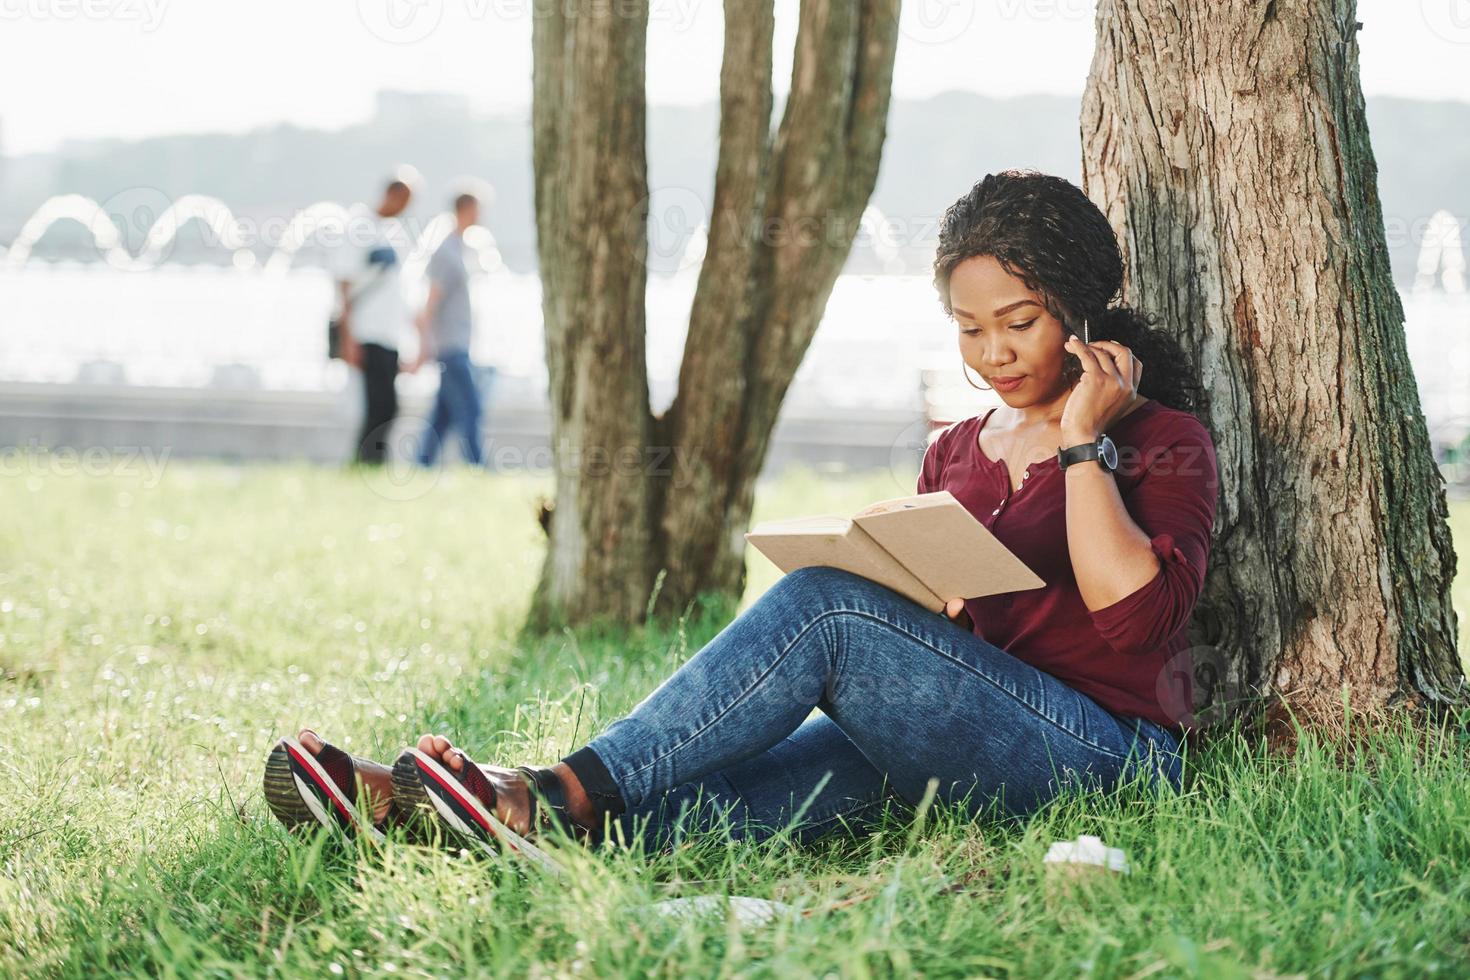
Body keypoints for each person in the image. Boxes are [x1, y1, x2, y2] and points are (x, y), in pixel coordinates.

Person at [267, 170, 1220, 855]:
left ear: (1081, 312)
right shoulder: (958, 452)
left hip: (1106, 757)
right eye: (970, 329)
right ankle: (439, 815)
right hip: (955, 738)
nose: (995, 352)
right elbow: (971, 627)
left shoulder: (1160, 438)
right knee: (723, 797)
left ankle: (549, 788)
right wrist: (916, 590)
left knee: (824, 606)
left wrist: (1085, 443)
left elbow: (1134, 619)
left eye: (1020, 322)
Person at [331, 173, 416, 465]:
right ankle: (366, 460)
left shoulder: (396, 233)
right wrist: (348, 338)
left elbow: (402, 293)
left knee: (389, 405)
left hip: (390, 333)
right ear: (391, 194)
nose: (405, 207)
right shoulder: (360, 226)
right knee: (376, 404)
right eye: (403, 199)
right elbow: (343, 284)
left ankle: (374, 459)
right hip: (365, 332)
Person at [412, 191, 489, 467]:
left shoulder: (458, 247)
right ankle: (479, 465)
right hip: (450, 347)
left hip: (455, 344)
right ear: (466, 208)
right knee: (471, 408)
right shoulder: (445, 251)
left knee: (442, 415)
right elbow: (428, 306)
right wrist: (423, 349)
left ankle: (421, 463)